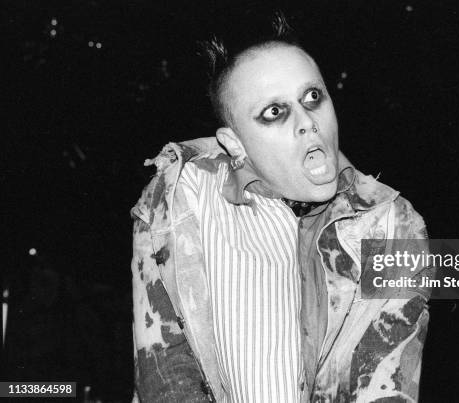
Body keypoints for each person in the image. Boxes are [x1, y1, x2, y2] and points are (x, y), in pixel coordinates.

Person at [130, 13, 434, 403]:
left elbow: (384, 387)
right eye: (274, 112)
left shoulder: (392, 224)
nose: (308, 122)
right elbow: (164, 374)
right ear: (234, 143)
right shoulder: (177, 201)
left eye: (312, 97)